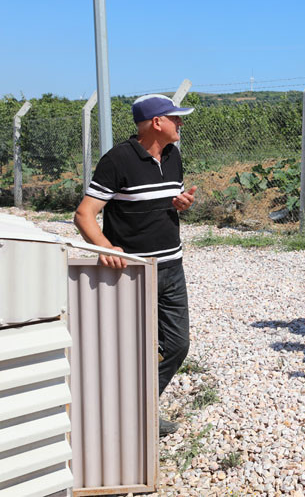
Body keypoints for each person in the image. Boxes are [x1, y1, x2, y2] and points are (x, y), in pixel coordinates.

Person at [74, 94, 197, 435]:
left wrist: (181, 204)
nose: (180, 123)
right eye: (176, 117)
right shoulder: (118, 160)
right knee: (127, 348)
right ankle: (122, 422)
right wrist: (105, 247)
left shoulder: (173, 156)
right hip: (132, 273)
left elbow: (166, 202)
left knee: (176, 345)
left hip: (172, 268)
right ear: (157, 122)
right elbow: (84, 215)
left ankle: (136, 409)